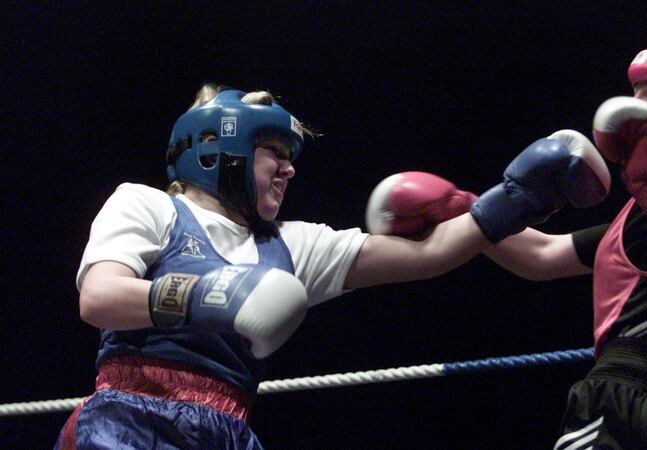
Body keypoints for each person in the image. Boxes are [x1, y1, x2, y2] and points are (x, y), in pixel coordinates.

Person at [54, 84, 611, 449]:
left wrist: (516, 197)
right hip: (130, 419)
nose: (289, 171)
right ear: (217, 147)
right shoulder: (147, 204)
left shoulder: (293, 245)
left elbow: (431, 254)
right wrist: (217, 292)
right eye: (275, 151)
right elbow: (100, 297)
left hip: (230, 430)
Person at [371, 42, 647, 448]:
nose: (634, 108)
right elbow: (542, 257)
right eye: (636, 95)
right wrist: (463, 209)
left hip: (635, 401)